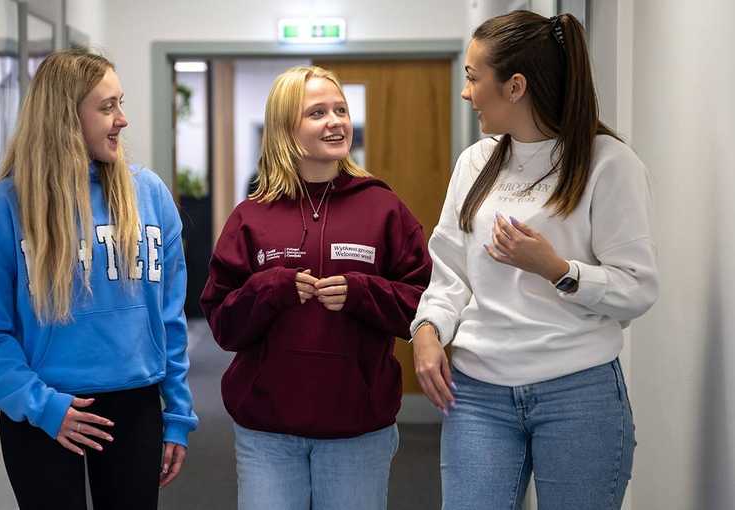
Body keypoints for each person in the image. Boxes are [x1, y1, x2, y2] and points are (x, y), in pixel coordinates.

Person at [411, 11, 659, 510]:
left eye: (473, 77)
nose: (466, 92)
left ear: (515, 86)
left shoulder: (607, 163)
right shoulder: (475, 163)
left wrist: (556, 268)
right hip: (477, 394)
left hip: (579, 393)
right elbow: (450, 274)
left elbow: (636, 291)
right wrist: (427, 330)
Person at [0, 48, 197, 510]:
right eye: (107, 107)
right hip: (43, 412)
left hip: (135, 407)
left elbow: (169, 320)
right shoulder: (6, 208)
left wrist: (179, 413)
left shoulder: (149, 195)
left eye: (120, 103)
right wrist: (42, 405)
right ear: (66, 117)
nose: (122, 119)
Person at [200, 65, 431, 510]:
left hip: (357, 431)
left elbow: (424, 303)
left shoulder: (383, 208)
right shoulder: (252, 216)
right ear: (287, 128)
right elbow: (223, 324)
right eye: (318, 113)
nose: (335, 121)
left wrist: (363, 293)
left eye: (340, 110)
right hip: (267, 432)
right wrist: (272, 289)